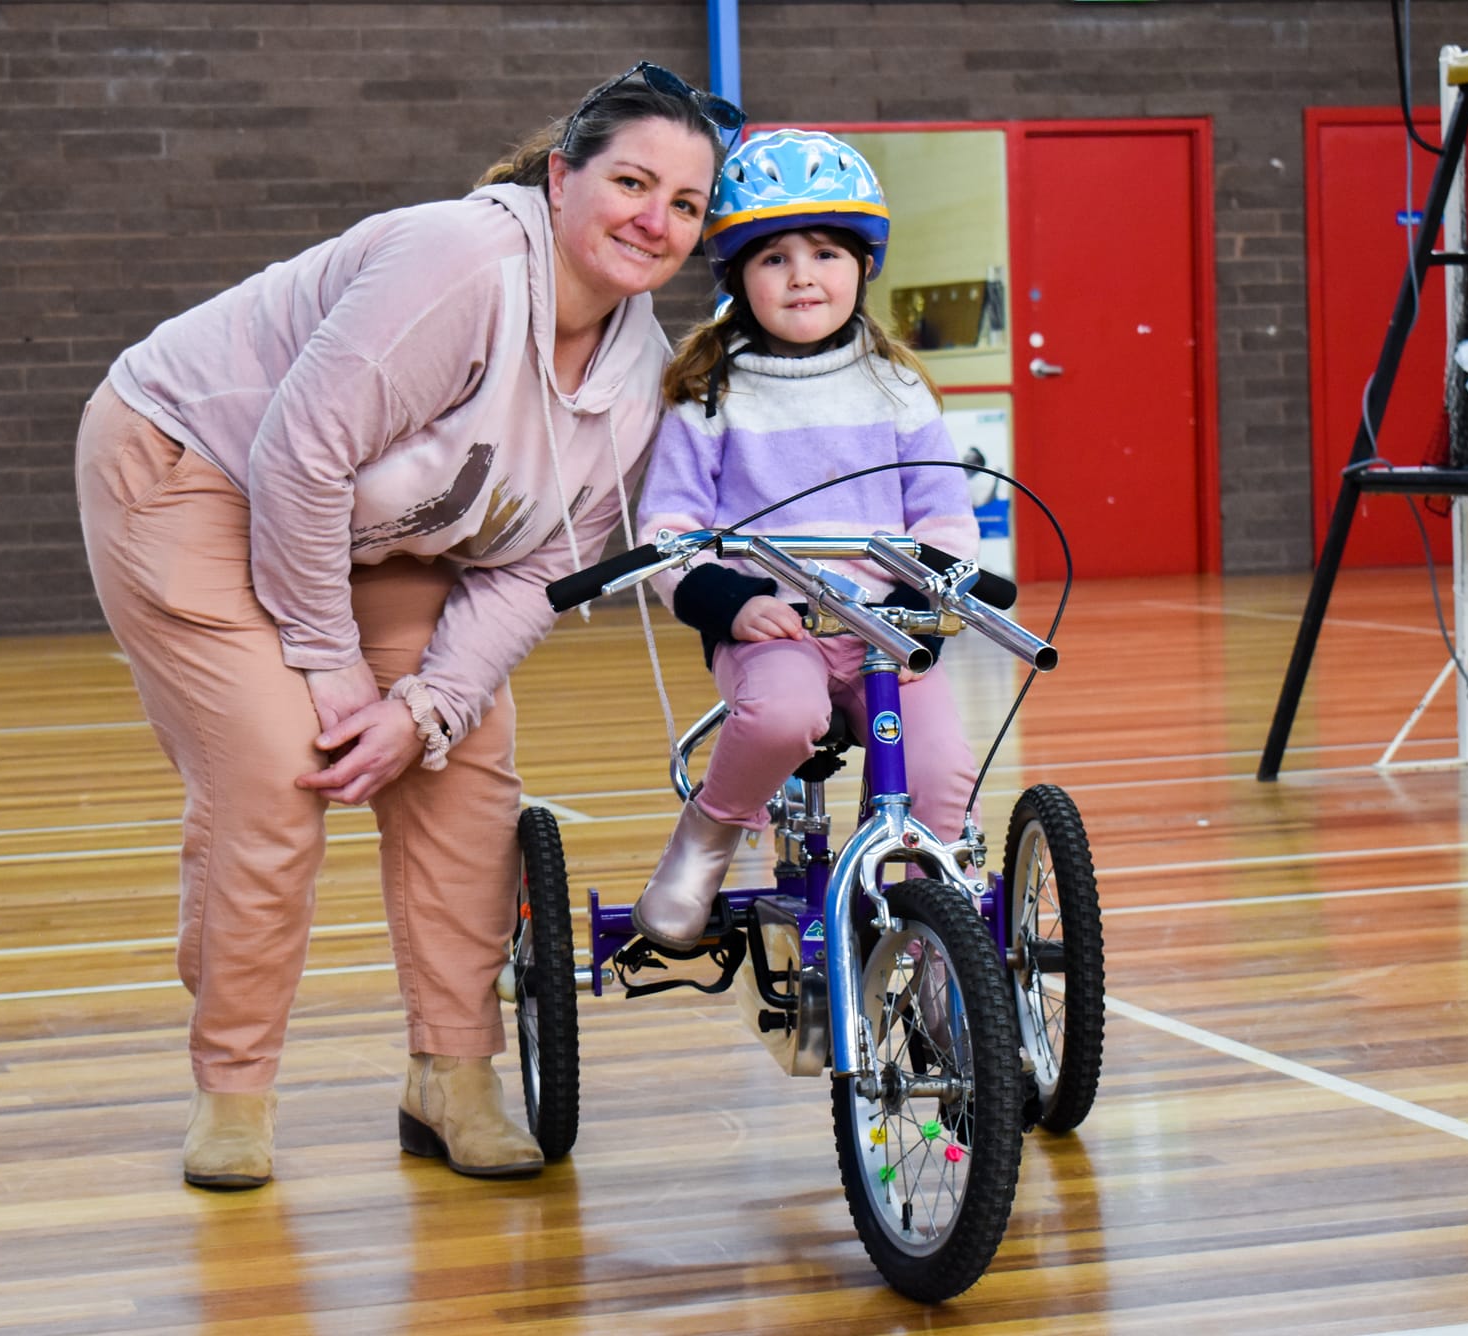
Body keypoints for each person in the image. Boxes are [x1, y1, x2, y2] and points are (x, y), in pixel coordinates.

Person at [74, 63, 740, 1187]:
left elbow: (536, 572)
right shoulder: (464, 259)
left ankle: (452, 1073)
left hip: (374, 521)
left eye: (684, 204)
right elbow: (299, 451)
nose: (654, 220)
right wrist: (336, 676)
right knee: (282, 763)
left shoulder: (634, 375)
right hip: (193, 464)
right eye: (631, 181)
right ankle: (231, 1088)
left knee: (465, 760)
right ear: (561, 175)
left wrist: (425, 707)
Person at [630, 128, 982, 951]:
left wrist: (909, 593)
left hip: (887, 628)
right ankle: (706, 838)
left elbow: (943, 518)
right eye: (774, 258)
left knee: (940, 770)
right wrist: (734, 600)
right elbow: (670, 528)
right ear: (738, 276)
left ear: (862, 266)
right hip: (774, 624)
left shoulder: (898, 387)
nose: (801, 276)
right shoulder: (708, 394)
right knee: (782, 715)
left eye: (825, 253)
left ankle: (926, 940)